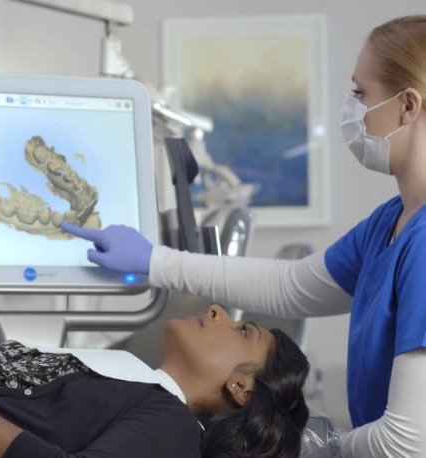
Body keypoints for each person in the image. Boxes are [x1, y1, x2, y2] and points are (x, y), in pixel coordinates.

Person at [60, 14, 426, 458]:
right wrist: (153, 260)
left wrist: (316, 446)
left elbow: (408, 442)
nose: (351, 108)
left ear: (408, 106)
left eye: (360, 93)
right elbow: (291, 286)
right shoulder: (390, 223)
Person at [0, 305, 309, 458]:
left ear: (241, 388)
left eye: (242, 332)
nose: (218, 311)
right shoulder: (124, 377)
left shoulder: (173, 427)